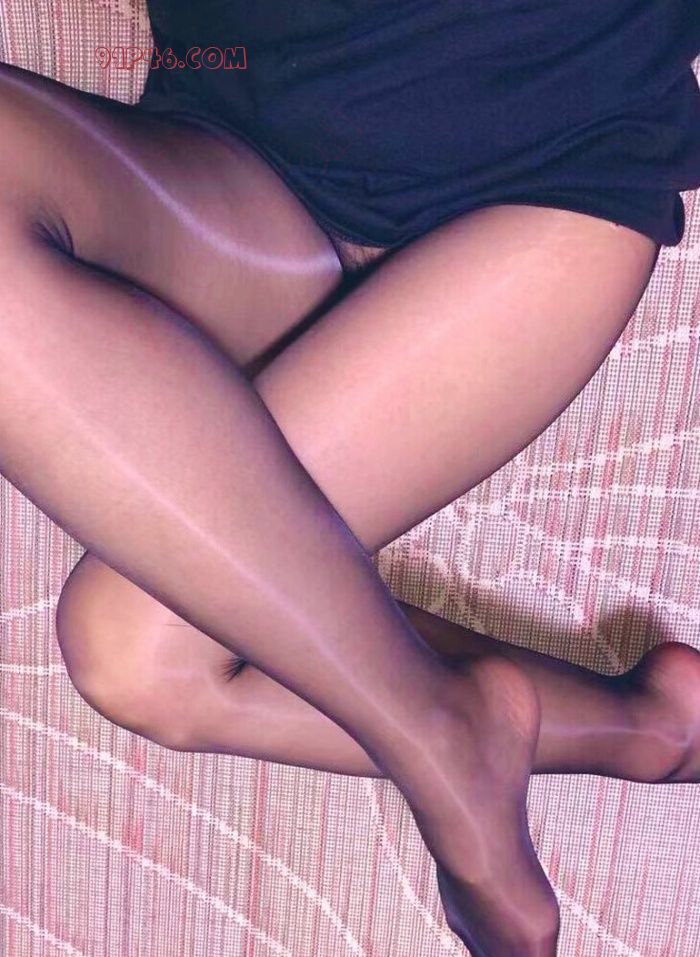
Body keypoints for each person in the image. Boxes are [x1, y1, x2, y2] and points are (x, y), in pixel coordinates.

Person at [1, 0, 699, 953]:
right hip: (246, 161)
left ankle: (618, 730)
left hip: (544, 169)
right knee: (133, 657)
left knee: (133, 649)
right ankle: (448, 733)